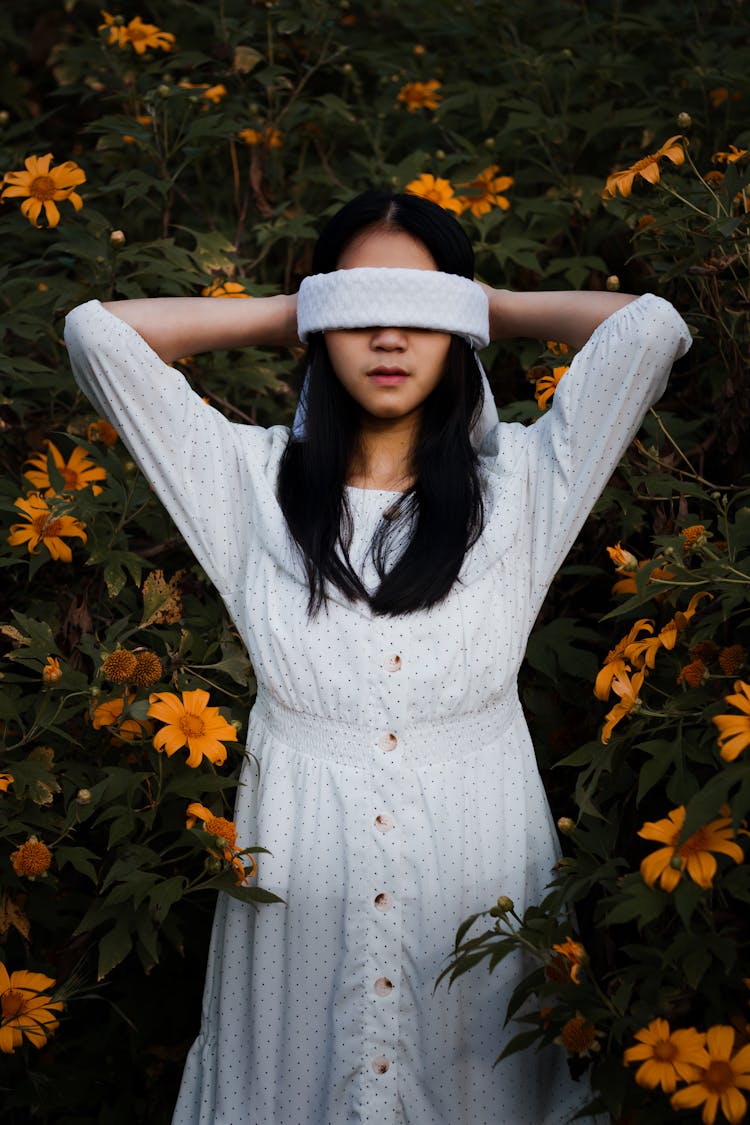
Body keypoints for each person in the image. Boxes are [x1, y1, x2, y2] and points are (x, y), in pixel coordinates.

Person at [64, 190, 691, 1125]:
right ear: (322, 320)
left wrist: (487, 306)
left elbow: (652, 331)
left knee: (483, 1083)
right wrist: (293, 312)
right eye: (357, 308)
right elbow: (95, 335)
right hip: (298, 860)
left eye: (423, 311)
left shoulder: (523, 484)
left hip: (477, 857)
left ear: (458, 323)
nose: (389, 336)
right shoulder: (247, 485)